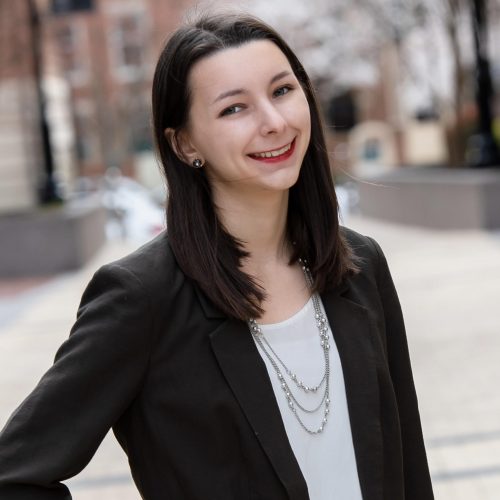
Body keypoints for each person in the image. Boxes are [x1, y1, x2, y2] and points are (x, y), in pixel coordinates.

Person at [0, 11, 434, 500]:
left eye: (282, 91)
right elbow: (14, 475)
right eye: (234, 108)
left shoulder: (361, 265)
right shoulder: (142, 297)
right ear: (184, 143)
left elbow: (408, 463)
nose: (274, 123)